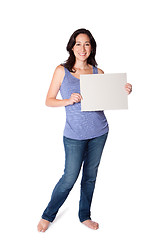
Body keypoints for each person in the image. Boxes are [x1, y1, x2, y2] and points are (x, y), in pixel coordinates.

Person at [37, 28, 132, 232]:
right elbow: (48, 100)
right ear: (72, 46)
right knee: (69, 178)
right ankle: (48, 215)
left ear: (92, 47)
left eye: (87, 43)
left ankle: (84, 215)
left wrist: (123, 91)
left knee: (90, 176)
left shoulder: (98, 72)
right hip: (74, 136)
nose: (82, 48)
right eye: (78, 43)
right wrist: (67, 100)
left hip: (99, 132)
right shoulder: (61, 70)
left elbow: (107, 101)